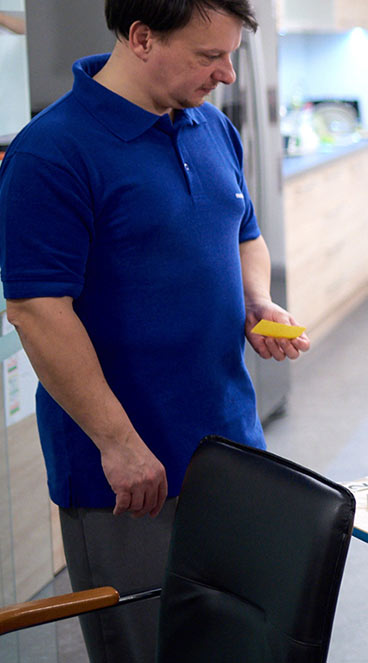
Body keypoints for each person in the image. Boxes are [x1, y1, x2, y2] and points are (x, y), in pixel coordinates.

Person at [0, 1, 309, 661]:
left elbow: (244, 233)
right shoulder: (52, 152)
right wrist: (118, 443)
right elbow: (35, 309)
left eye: (230, 54)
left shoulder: (211, 127)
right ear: (141, 38)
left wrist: (258, 300)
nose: (226, 73)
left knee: (235, 643)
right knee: (147, 648)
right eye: (208, 56)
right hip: (129, 475)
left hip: (231, 450)